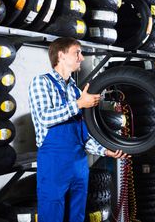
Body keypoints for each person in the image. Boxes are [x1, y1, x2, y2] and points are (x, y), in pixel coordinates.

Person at [28, 37, 129, 222]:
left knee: (78, 216)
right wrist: (78, 104)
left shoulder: (76, 91)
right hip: (54, 164)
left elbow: (84, 135)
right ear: (61, 55)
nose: (81, 57)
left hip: (79, 164)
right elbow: (44, 118)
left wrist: (106, 150)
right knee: (52, 215)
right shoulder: (42, 83)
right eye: (77, 52)